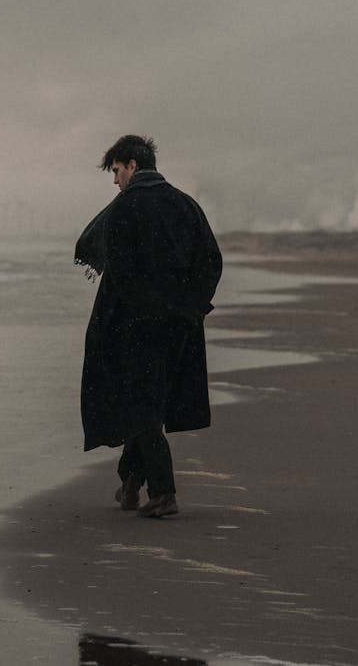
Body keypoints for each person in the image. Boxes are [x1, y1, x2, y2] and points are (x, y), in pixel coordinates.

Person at [73, 135, 222, 518]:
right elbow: (212, 261)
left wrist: (145, 311)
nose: (115, 181)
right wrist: (192, 307)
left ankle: (163, 492)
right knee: (151, 403)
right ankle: (129, 482)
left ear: (133, 166)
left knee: (139, 405)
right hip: (180, 327)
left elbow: (121, 273)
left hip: (136, 327)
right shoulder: (186, 205)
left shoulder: (124, 209)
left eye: (117, 171)